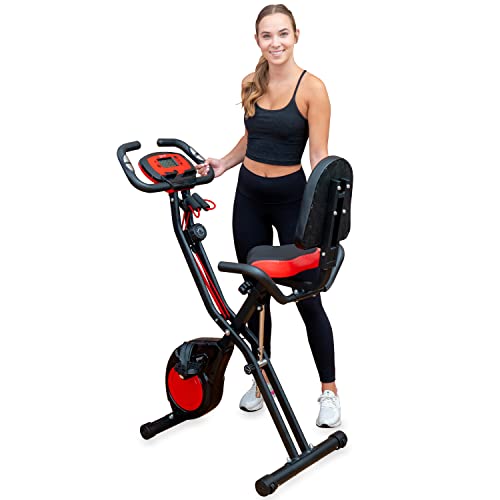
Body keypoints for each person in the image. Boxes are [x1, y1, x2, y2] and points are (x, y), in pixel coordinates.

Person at [197, 4, 341, 428]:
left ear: (296, 35)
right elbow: (253, 135)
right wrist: (223, 164)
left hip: (291, 199)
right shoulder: (251, 82)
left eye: (282, 34)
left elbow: (319, 156)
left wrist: (322, 216)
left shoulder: (312, 88)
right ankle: (262, 382)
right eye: (267, 35)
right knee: (256, 295)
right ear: (257, 40)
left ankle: (329, 392)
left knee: (308, 296)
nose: (275, 43)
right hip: (249, 197)